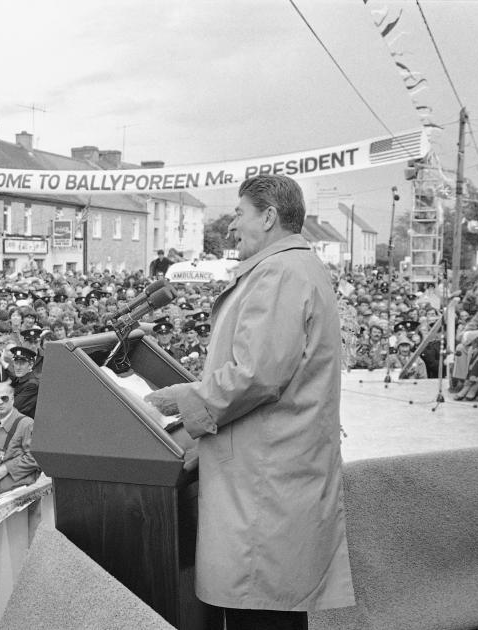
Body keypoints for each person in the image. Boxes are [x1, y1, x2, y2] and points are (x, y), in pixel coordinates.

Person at [144, 174, 354, 630]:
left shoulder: (279, 272)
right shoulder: (289, 267)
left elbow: (256, 373)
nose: (232, 225)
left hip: (265, 484)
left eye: (239, 213)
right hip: (270, 475)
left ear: (269, 216)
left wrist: (187, 399)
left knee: (260, 611)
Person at [8, 347, 39, 419]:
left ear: (30, 365)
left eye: (22, 364)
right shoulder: (19, 379)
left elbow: (13, 408)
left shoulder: (32, 385)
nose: (18, 367)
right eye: (16, 363)